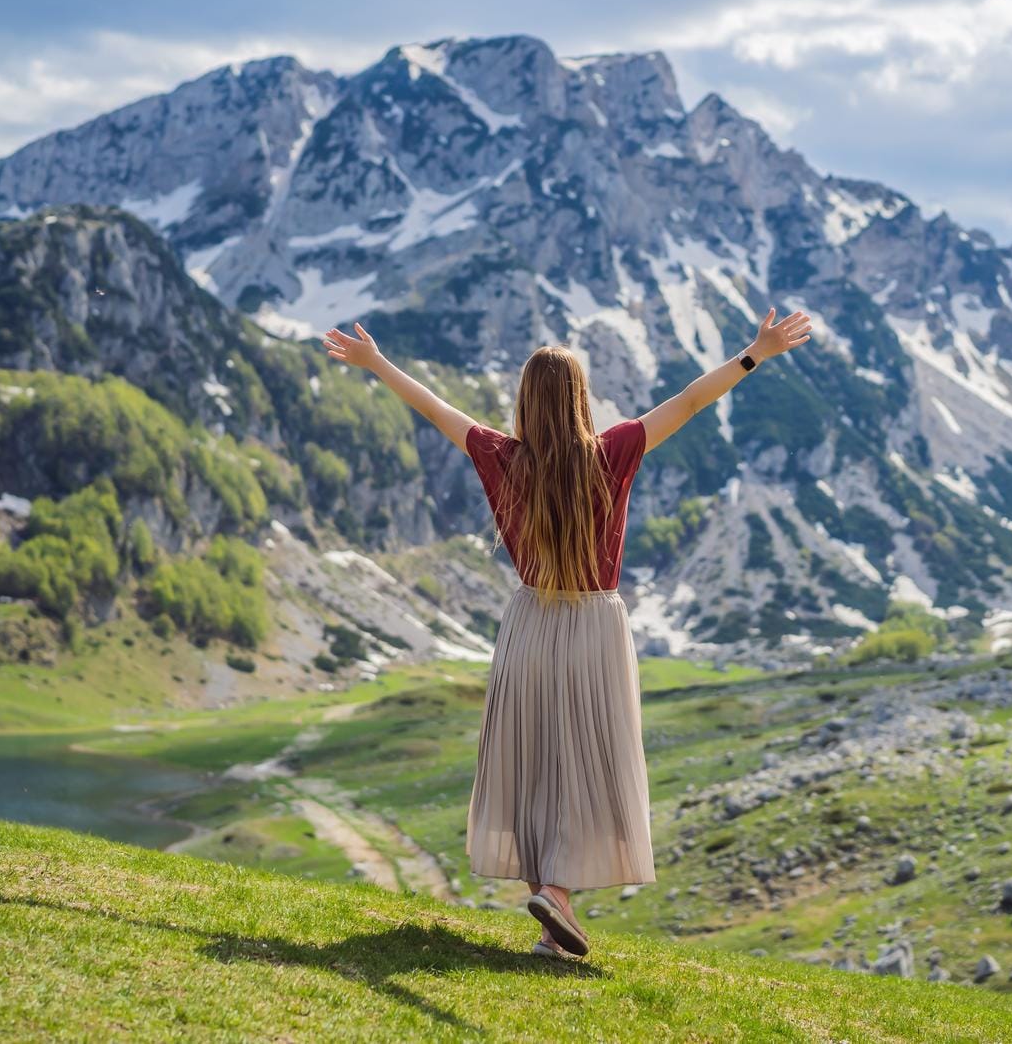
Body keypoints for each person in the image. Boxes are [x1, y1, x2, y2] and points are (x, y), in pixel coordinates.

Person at [322, 306, 813, 958]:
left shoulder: (501, 455)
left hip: (529, 624)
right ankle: (556, 895)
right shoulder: (614, 450)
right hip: (595, 627)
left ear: (526, 401)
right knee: (585, 767)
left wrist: (377, 362)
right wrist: (756, 353)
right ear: (582, 400)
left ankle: (553, 916)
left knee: (532, 766)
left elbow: (435, 409)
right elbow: (692, 400)